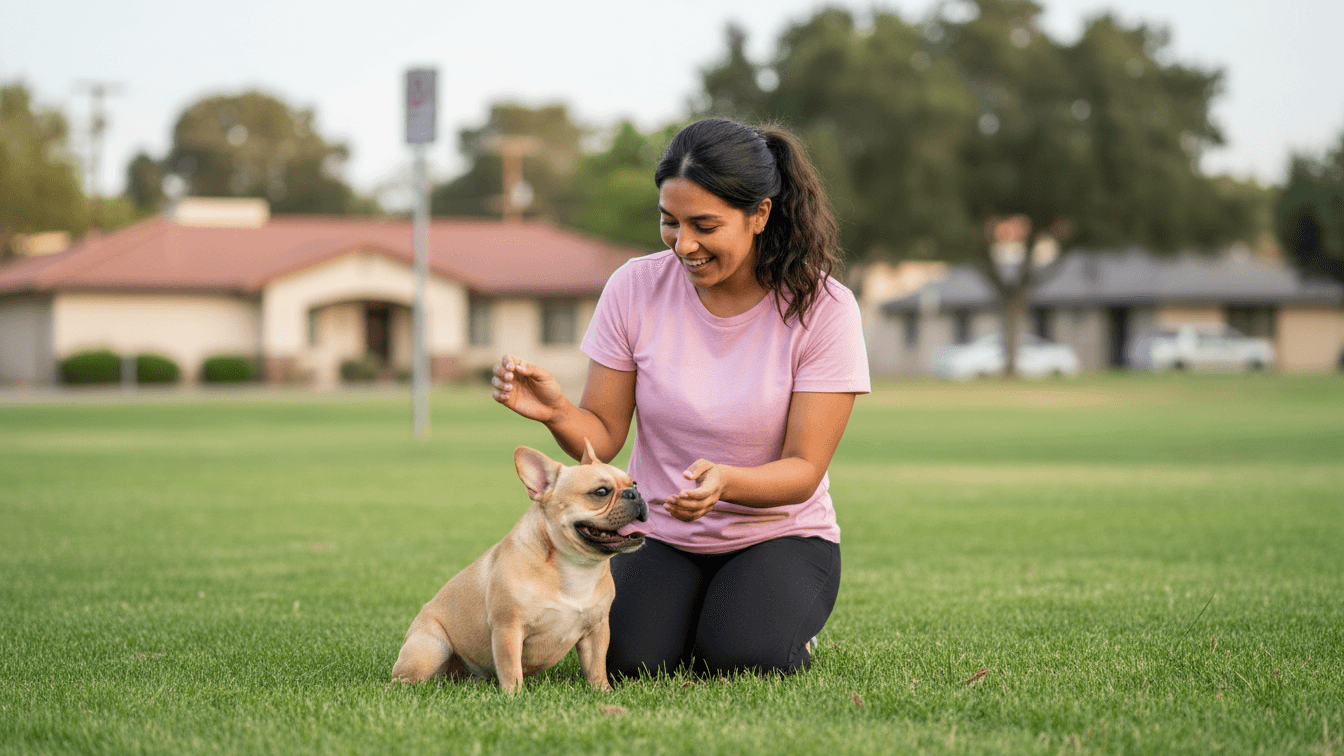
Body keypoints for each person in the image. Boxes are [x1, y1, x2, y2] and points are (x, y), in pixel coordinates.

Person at [490, 117, 869, 679]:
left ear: (759, 215)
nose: (683, 244)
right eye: (670, 222)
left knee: (747, 660)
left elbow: (804, 470)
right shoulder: (635, 287)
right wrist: (558, 413)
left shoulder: (824, 308)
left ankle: (762, 621)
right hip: (660, 533)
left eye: (704, 226)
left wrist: (728, 482)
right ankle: (699, 617)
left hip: (779, 535)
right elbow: (605, 436)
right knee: (629, 661)